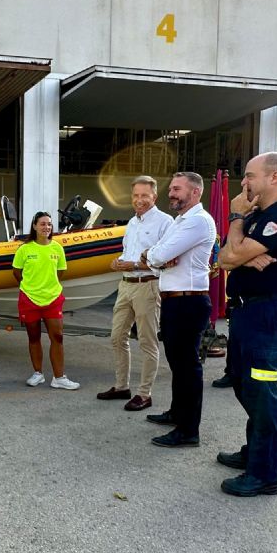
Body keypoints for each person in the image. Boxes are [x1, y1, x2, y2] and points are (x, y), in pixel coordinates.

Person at [216, 152, 277, 497]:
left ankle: (264, 474)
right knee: (243, 385)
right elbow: (225, 257)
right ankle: (255, 453)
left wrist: (237, 219)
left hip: (267, 314)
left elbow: (230, 255)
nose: (244, 184)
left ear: (274, 177)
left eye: (250, 176)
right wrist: (241, 250)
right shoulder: (261, 215)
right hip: (245, 313)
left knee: (263, 392)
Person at [142, 172, 216, 447]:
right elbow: (156, 256)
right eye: (171, 188)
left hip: (189, 301)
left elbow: (158, 255)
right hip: (174, 300)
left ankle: (188, 431)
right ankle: (177, 413)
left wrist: (154, 256)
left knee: (187, 367)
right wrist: (152, 256)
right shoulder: (179, 221)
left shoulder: (198, 221)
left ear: (195, 192)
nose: (170, 193)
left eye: (177, 189)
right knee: (177, 363)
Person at [97, 176, 172, 411]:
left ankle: (144, 393)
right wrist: (117, 263)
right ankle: (122, 387)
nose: (139, 200)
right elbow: (128, 253)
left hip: (147, 285)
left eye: (144, 196)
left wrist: (135, 266)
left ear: (154, 197)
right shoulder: (132, 222)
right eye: (135, 196)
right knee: (117, 337)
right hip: (126, 285)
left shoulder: (165, 222)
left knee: (147, 342)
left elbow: (167, 260)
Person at [12, 211, 79, 390]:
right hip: (29, 299)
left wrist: (48, 285)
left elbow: (60, 272)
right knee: (33, 337)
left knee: (57, 337)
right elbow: (17, 273)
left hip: (52, 298)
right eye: (42, 224)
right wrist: (32, 286)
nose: (46, 227)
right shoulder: (24, 249)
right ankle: (38, 373)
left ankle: (59, 377)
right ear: (34, 226)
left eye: (49, 224)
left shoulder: (57, 248)